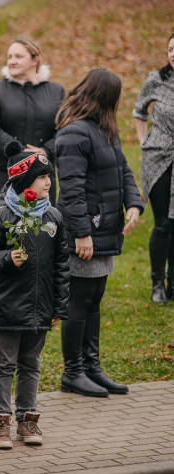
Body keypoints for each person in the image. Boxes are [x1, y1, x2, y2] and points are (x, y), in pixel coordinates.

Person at [0, 141, 69, 449]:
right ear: (24, 182)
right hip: (7, 306)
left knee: (31, 363)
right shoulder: (1, 216)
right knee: (4, 364)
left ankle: (27, 420)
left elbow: (61, 264)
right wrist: (6, 259)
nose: (47, 182)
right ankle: (0, 422)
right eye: (42, 177)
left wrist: (59, 305)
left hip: (40, 306)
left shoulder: (53, 217)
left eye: (48, 177)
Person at [56, 68, 144, 397]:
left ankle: (91, 367)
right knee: (79, 300)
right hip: (87, 233)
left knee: (94, 299)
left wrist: (133, 203)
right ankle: (72, 373)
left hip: (104, 230)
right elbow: (72, 189)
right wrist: (80, 233)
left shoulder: (104, 129)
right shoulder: (75, 134)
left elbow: (122, 168)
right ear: (107, 97)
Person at [0, 38, 65, 203]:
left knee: (40, 227)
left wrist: (45, 151)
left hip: (41, 174)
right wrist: (18, 151)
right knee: (1, 225)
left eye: (18, 56)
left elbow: (64, 130)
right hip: (0, 172)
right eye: (9, 57)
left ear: (35, 60)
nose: (12, 61)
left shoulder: (57, 92)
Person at [133, 33, 174, 303]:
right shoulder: (157, 79)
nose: (173, 54)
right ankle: (158, 282)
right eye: (170, 49)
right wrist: (143, 142)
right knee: (163, 223)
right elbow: (139, 111)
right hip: (158, 158)